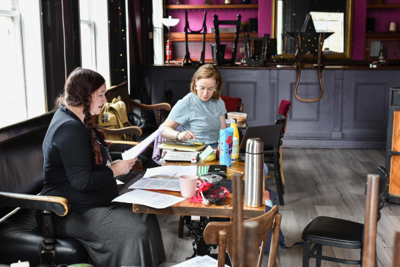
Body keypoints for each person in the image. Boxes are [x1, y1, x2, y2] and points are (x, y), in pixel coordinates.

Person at [37, 68, 165, 267]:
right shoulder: (68, 129)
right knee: (136, 231)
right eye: (101, 95)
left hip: (84, 201)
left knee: (145, 214)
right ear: (84, 96)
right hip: (66, 210)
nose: (105, 100)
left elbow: (84, 166)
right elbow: (82, 181)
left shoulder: (75, 119)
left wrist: (114, 164)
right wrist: (115, 170)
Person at [161, 64, 227, 146]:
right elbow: (163, 130)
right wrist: (179, 135)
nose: (205, 93)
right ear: (195, 82)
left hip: (215, 149)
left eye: (210, 89)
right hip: (194, 149)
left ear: (216, 85)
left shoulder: (219, 102)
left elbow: (223, 132)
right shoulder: (186, 103)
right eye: (202, 88)